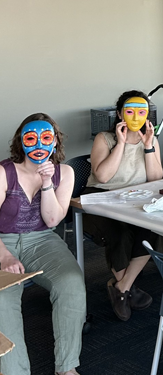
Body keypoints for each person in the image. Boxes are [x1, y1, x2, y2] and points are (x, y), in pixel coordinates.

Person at [0, 113, 84, 375]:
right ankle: (15, 371)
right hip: (2, 241)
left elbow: (51, 220)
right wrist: (4, 257)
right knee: (3, 297)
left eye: (46, 138)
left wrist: (47, 182)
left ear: (55, 142)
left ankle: (66, 366)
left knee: (71, 283)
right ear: (21, 142)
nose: (38, 145)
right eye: (31, 139)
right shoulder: (4, 172)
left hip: (42, 239)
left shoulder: (65, 173)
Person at [83, 90, 163, 321]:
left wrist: (149, 146)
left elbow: (155, 179)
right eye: (130, 111)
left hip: (135, 198)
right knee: (119, 233)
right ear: (120, 114)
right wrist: (121, 143)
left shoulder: (151, 140)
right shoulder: (105, 138)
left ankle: (122, 287)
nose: (135, 116)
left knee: (153, 230)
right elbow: (102, 177)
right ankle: (127, 289)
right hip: (101, 198)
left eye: (141, 112)